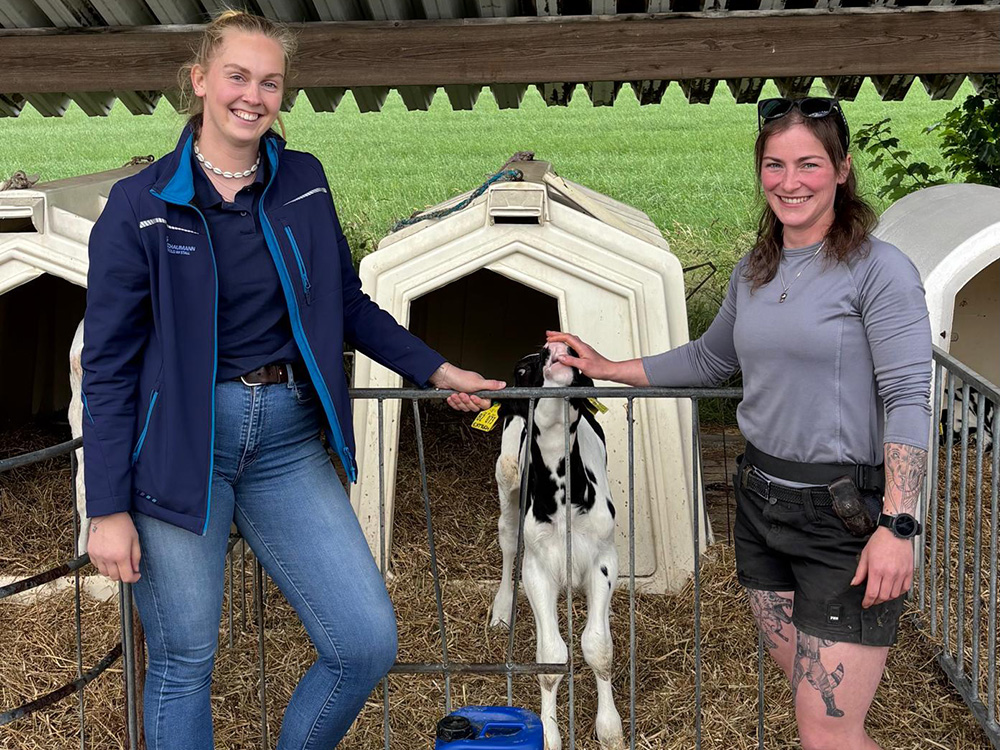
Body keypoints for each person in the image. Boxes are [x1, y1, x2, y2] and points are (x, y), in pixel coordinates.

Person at [81, 11, 500, 749]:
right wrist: (106, 506)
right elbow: (108, 366)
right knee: (183, 662)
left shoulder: (300, 181)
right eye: (237, 77)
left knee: (365, 642)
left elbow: (343, 301)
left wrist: (432, 366)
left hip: (287, 442)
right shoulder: (140, 207)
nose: (253, 95)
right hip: (182, 452)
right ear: (201, 80)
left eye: (270, 82)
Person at [548, 97, 931, 749]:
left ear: (842, 169)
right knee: (813, 706)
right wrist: (609, 365)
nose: (790, 182)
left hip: (844, 518)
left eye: (809, 164)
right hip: (761, 508)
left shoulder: (879, 271)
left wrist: (899, 524)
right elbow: (709, 358)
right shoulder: (756, 269)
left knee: (827, 728)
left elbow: (908, 395)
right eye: (775, 165)